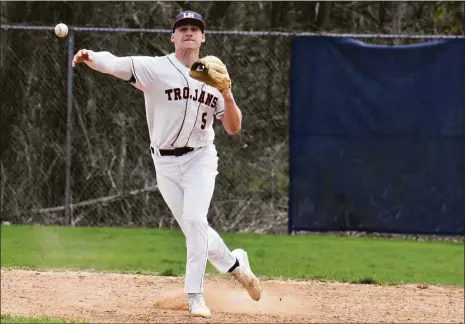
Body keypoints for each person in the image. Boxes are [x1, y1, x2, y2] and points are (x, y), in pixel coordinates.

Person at [72, 10, 262, 318]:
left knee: (196, 220)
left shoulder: (214, 75)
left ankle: (195, 297)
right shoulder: (156, 69)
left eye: (195, 29)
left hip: (200, 157)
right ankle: (237, 265)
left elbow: (233, 127)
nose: (189, 32)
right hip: (165, 164)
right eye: (183, 28)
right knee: (193, 228)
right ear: (173, 37)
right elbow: (116, 63)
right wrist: (91, 56)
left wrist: (227, 93)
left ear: (203, 37)